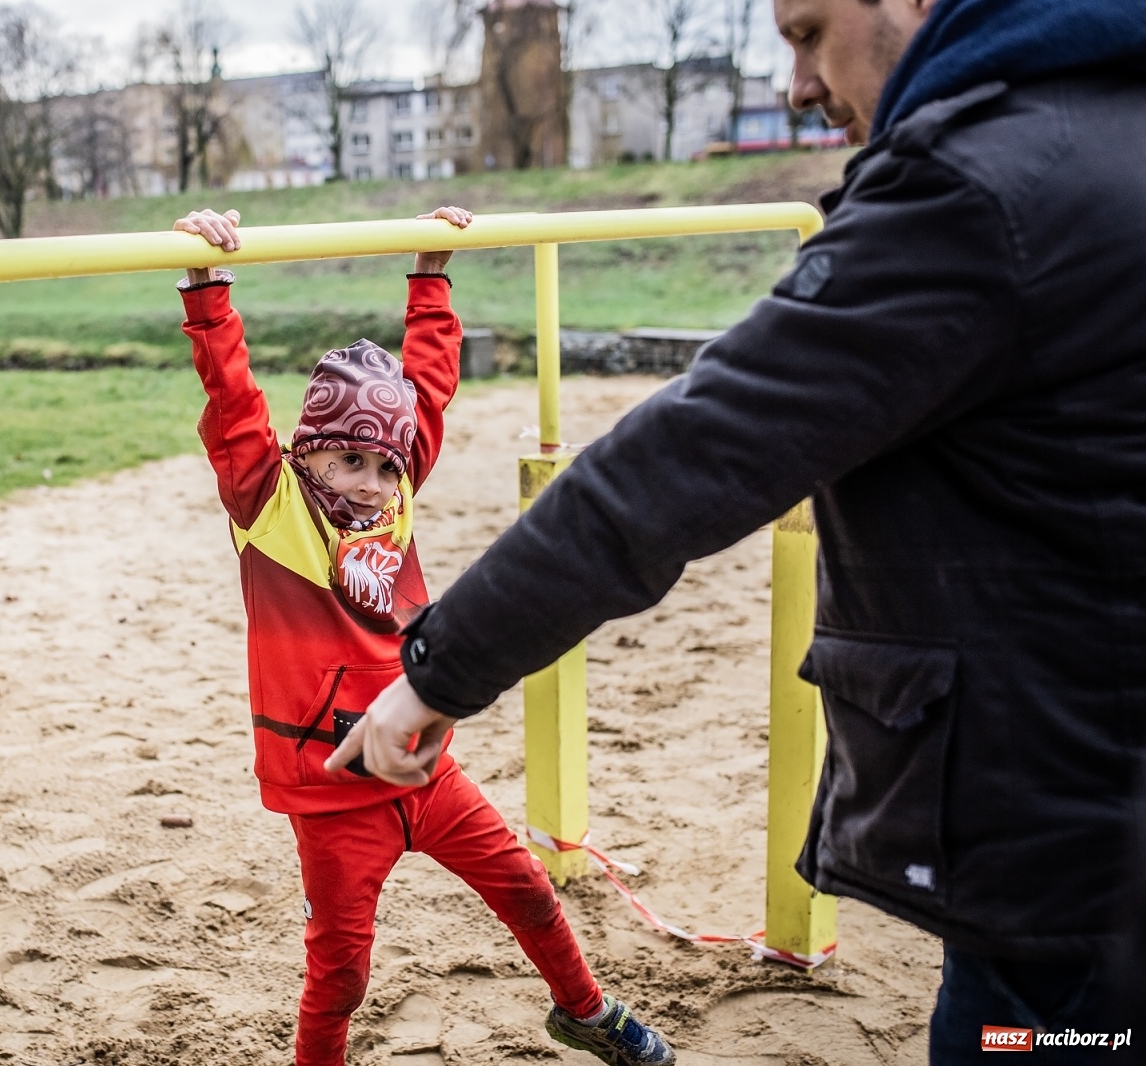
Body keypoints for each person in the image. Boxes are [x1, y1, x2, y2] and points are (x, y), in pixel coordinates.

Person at [327, 0, 1146, 1062]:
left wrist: (438, 667)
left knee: (1034, 1036)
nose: (797, 86)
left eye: (807, 33)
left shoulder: (978, 192)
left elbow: (691, 456)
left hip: (1071, 856)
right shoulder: (1108, 133)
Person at [172, 205, 673, 1066]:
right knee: (341, 975)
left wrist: (431, 270)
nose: (369, 485)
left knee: (527, 888)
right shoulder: (271, 506)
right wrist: (207, 288)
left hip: (425, 765)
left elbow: (427, 388)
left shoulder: (395, 498)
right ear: (307, 452)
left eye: (383, 466)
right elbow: (234, 401)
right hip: (335, 797)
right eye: (346, 461)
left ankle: (584, 1011)